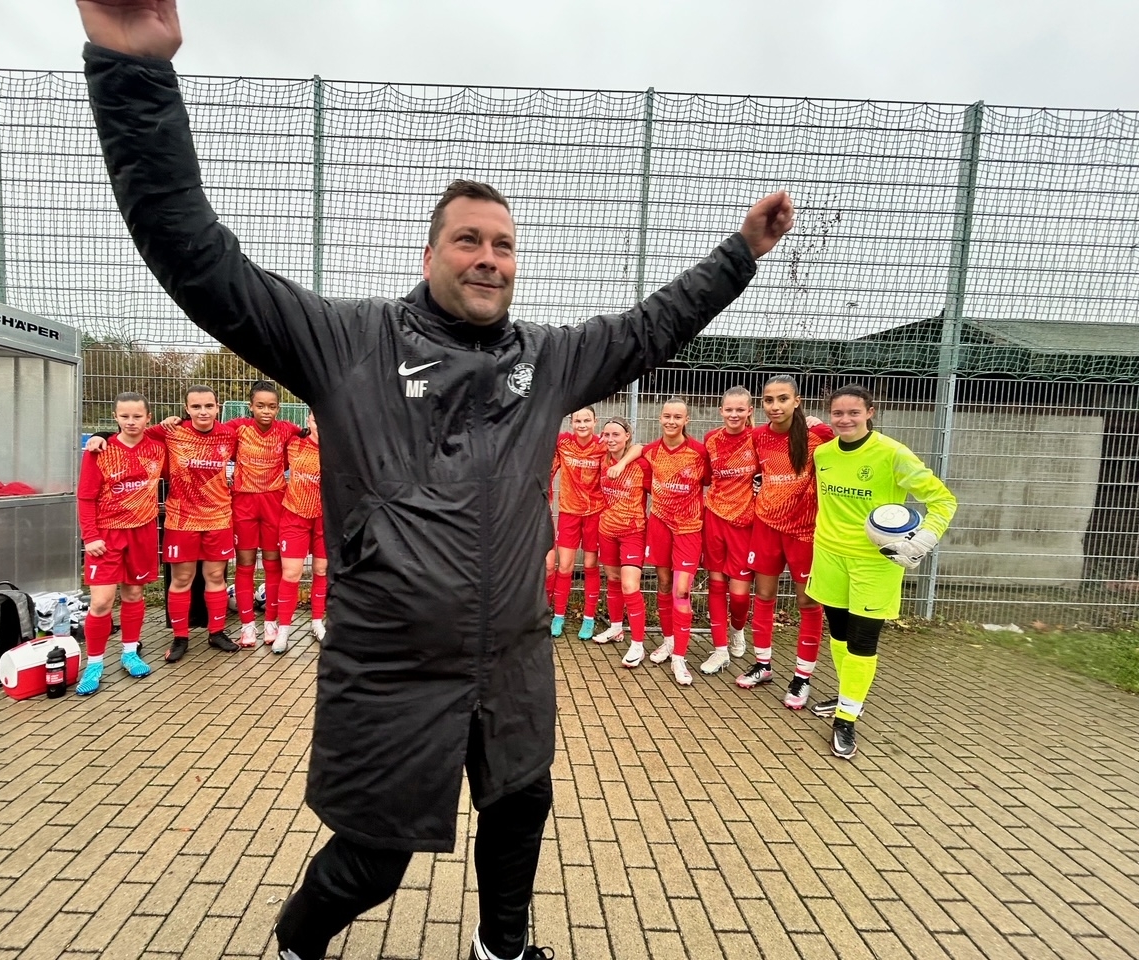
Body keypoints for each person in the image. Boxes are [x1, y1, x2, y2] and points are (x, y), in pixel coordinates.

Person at [78, 4, 792, 955]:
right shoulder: (348, 343)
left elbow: (651, 325)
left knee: (521, 808)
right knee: (374, 860)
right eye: (468, 240)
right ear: (429, 254)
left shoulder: (550, 359)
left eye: (503, 244)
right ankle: (296, 943)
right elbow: (197, 256)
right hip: (390, 666)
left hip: (512, 657)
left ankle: (503, 947)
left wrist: (740, 254)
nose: (489, 257)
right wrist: (132, 72)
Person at [807, 384, 956, 759]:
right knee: (838, 634)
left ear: (870, 413)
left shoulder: (892, 453)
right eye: (838, 413)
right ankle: (848, 696)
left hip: (876, 562)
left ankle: (846, 719)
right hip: (829, 555)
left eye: (853, 412)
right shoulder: (823, 454)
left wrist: (924, 539)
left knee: (862, 641)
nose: (845, 419)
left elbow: (942, 499)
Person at [90, 384, 239, 661]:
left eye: (209, 406)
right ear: (186, 409)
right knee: (182, 579)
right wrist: (101, 436)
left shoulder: (230, 434)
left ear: (218, 407)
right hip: (181, 519)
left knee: (216, 577)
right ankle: (180, 637)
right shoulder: (171, 431)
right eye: (196, 406)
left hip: (218, 517)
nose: (203, 411)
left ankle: (216, 632)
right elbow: (131, 433)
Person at [736, 375, 834, 710]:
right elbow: (756, 472)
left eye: (782, 399)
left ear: (797, 401)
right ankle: (763, 665)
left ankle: (802, 677)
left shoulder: (819, 435)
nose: (775, 406)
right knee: (763, 595)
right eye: (768, 400)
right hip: (766, 527)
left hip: (804, 532)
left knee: (808, 603)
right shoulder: (758, 436)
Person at [75, 392, 165, 695]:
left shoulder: (158, 448)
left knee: (134, 593)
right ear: (115, 417)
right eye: (124, 416)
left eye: (137, 416)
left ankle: (130, 652)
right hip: (106, 535)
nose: (131, 422)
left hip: (142, 531)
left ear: (148, 417)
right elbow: (86, 497)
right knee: (101, 602)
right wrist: (90, 536)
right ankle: (94, 664)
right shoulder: (99, 451)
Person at [548, 407, 639, 639]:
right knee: (564, 566)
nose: (582, 425)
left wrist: (621, 464)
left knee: (590, 565)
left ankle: (588, 619)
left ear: (595, 422)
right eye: (577, 421)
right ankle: (558, 616)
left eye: (586, 420)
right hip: (569, 512)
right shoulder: (563, 442)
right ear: (571, 423)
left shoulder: (602, 444)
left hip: (595, 513)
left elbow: (637, 448)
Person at [227, 381, 302, 649]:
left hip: (274, 502)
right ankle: (247, 625)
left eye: (271, 406)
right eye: (260, 406)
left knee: (273, 563)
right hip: (244, 502)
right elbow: (208, 434)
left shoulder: (287, 430)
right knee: (245, 563)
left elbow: (310, 436)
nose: (266, 411)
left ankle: (271, 621)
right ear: (251, 406)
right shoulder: (237, 428)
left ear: (278, 408)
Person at [639, 398, 708, 686]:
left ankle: (680, 656)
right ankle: (668, 641)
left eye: (677, 417)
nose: (671, 421)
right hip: (660, 525)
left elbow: (711, 482)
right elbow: (640, 468)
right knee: (664, 583)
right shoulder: (650, 451)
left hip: (689, 529)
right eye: (667, 416)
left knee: (682, 591)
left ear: (686, 420)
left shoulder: (699, 452)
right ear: (660, 418)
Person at [699, 386, 757, 675]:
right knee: (716, 583)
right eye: (729, 409)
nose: (734, 415)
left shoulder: (758, 438)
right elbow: (707, 477)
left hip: (744, 523)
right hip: (714, 518)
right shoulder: (711, 439)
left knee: (739, 594)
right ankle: (720, 649)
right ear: (721, 410)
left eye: (740, 409)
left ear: (749, 411)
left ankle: (737, 629)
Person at [593, 417, 652, 663]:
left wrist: (624, 462)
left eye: (616, 434)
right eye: (606, 434)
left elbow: (642, 448)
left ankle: (638, 645)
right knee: (613, 579)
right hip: (607, 529)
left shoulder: (641, 464)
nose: (610, 439)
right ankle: (616, 628)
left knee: (630, 586)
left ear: (627, 435)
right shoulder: (602, 459)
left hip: (633, 531)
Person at [273, 411, 327, 654]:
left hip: (325, 519)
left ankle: (317, 622)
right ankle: (283, 629)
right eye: (316, 420)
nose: (320, 425)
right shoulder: (294, 444)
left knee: (321, 570)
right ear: (308, 420)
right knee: (291, 573)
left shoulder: (339, 450)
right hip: (295, 516)